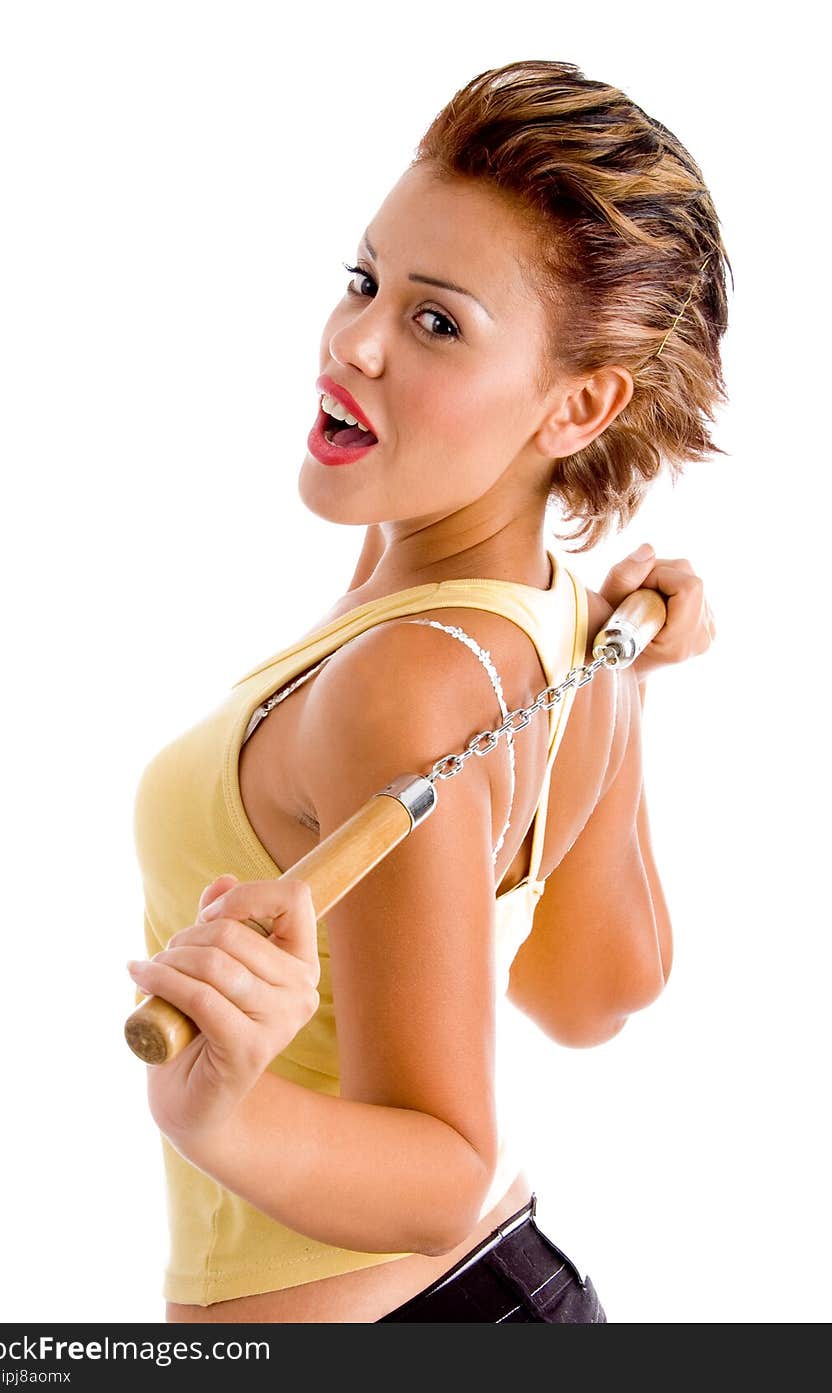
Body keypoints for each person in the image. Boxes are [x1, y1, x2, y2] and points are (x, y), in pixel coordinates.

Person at [128, 58, 727, 1323]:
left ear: (580, 404)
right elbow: (597, 993)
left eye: (436, 322)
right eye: (365, 282)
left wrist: (220, 1113)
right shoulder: (545, 628)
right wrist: (621, 694)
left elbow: (443, 1173)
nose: (353, 342)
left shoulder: (409, 683)